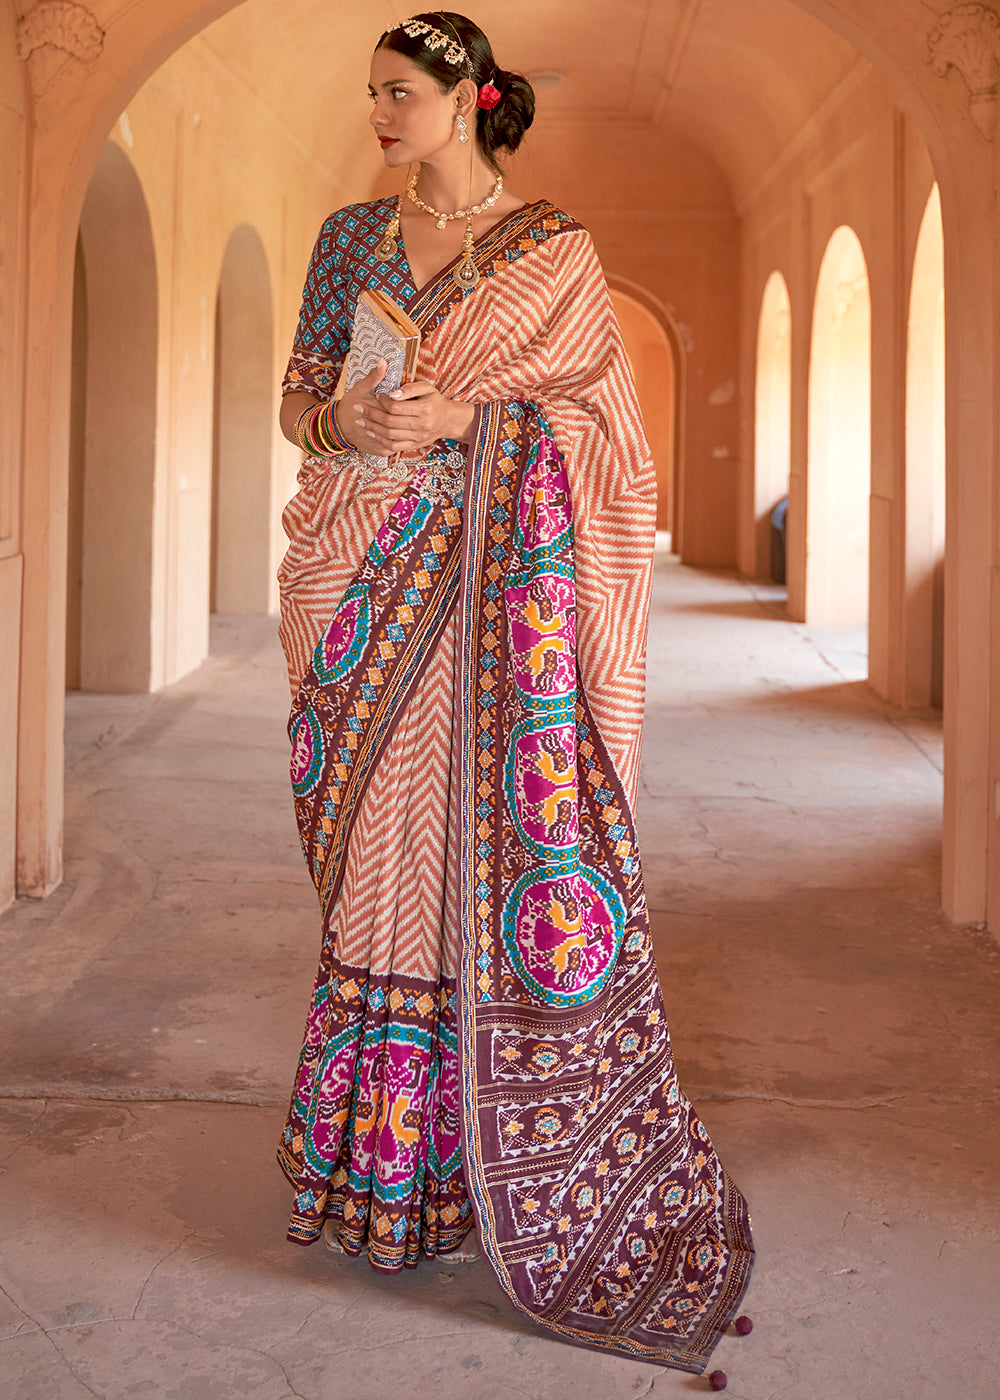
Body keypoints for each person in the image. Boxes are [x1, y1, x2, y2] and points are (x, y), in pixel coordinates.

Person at [276, 11, 753, 1375]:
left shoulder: (555, 255)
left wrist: (479, 423)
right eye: (370, 93)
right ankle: (380, 1173)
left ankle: (490, 1170)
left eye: (401, 93)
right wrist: (346, 423)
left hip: (501, 609)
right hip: (362, 581)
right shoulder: (346, 242)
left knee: (473, 868)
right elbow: (301, 394)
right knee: (370, 863)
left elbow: (607, 428)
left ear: (470, 99)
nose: (380, 114)